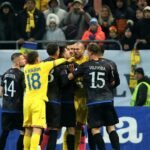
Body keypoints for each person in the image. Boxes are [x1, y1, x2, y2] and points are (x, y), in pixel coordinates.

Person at [68, 43, 120, 150]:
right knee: (111, 128)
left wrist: (72, 72)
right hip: (107, 100)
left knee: (95, 129)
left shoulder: (85, 65)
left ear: (90, 52)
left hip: (93, 102)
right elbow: (115, 82)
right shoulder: (110, 64)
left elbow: (69, 77)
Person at [23, 51, 70, 150]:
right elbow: (59, 61)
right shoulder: (43, 66)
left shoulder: (26, 68)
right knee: (37, 128)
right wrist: (68, 59)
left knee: (28, 129)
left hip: (27, 101)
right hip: (38, 101)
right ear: (36, 59)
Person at [0, 53, 26, 150]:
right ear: (17, 61)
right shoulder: (21, 75)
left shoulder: (5, 73)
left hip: (6, 109)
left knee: (5, 133)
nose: (25, 61)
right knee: (23, 132)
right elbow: (26, 90)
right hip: (17, 109)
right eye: (23, 59)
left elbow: (0, 92)